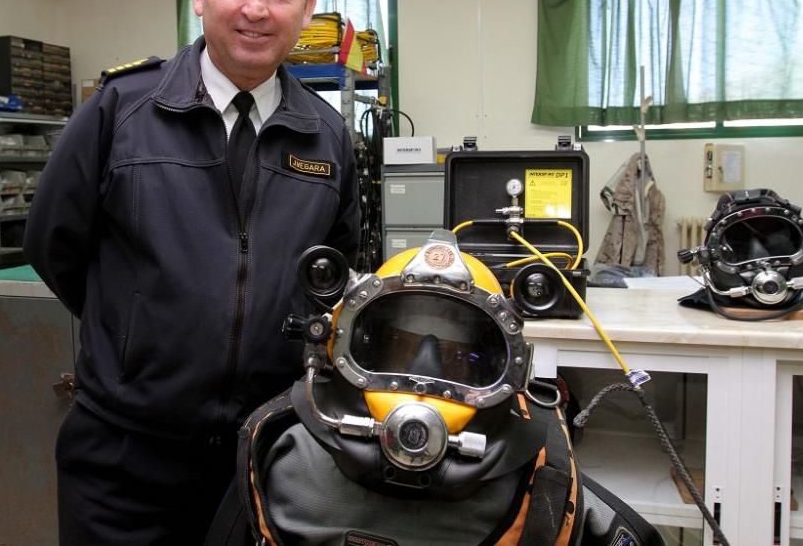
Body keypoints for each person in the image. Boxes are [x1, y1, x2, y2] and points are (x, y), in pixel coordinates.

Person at [23, 0, 360, 544]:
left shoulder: (327, 135)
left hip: (266, 456)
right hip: (124, 459)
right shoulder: (120, 109)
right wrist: (139, 330)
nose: (255, 8)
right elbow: (53, 245)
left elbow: (329, 274)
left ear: (306, 9)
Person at [205, 230, 664, 545]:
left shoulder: (275, 443)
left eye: (456, 357)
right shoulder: (276, 444)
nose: (422, 376)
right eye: (400, 348)